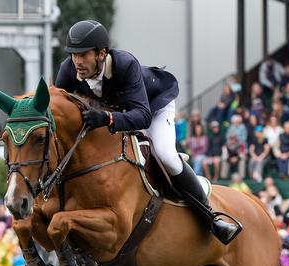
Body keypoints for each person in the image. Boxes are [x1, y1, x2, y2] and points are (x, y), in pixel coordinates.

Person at [55, 20, 240, 243]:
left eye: (83, 54)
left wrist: (106, 118)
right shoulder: (68, 70)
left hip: (153, 107)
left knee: (165, 155)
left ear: (101, 53)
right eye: (74, 55)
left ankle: (211, 219)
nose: (77, 61)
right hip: (118, 111)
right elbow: (60, 111)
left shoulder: (125, 64)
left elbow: (142, 116)